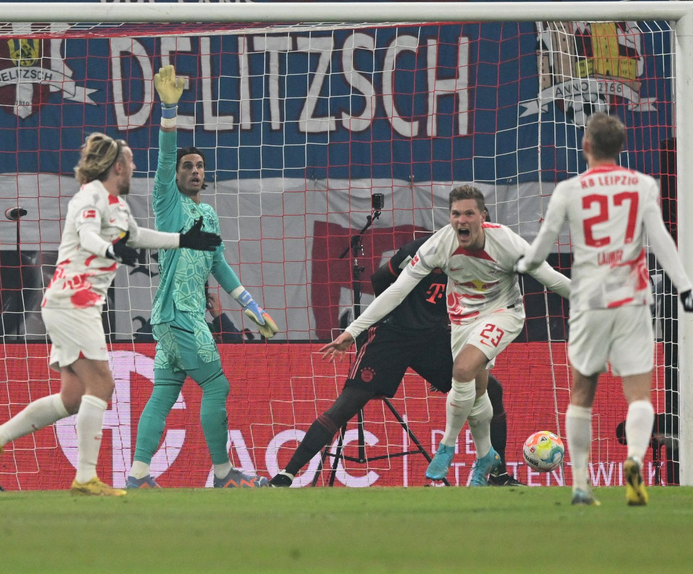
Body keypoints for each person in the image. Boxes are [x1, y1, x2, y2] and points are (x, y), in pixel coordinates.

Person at [0, 133, 222, 496]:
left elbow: (137, 236)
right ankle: (85, 477)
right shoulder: (89, 196)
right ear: (116, 166)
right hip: (71, 300)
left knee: (73, 398)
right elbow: (89, 236)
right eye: (131, 161)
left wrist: (183, 240)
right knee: (102, 385)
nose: (135, 167)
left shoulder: (118, 204)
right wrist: (112, 249)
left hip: (76, 303)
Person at [322, 185, 570, 486]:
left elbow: (553, 280)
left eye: (468, 213)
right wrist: (353, 329)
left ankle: (447, 447)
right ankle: (487, 461)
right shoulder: (438, 245)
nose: (461, 220)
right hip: (463, 318)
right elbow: (397, 291)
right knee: (479, 394)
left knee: (462, 370)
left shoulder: (505, 241)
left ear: (482, 217)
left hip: (503, 313)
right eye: (455, 214)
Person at [517, 113, 693, 506]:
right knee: (640, 395)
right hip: (632, 300)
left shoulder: (569, 189)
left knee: (581, 393)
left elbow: (543, 243)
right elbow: (660, 238)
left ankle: (581, 484)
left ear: (587, 146)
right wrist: (684, 286)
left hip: (589, 302)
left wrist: (524, 265)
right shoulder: (642, 185)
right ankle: (633, 460)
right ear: (623, 147)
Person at [269, 234, 524, 487]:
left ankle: (498, 476)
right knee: (347, 405)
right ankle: (287, 474)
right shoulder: (420, 250)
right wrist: (383, 320)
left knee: (491, 389)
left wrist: (452, 359)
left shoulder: (480, 263)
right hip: (391, 336)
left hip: (433, 338)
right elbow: (380, 279)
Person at [126, 65, 277, 489]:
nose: (194, 170)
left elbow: (219, 265)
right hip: (181, 315)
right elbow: (163, 157)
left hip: (175, 319)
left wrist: (252, 307)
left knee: (164, 392)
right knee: (217, 386)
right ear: (175, 177)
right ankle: (224, 474)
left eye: (199, 166)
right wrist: (169, 110)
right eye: (187, 166)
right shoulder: (168, 204)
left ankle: (138, 475)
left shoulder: (208, 214)